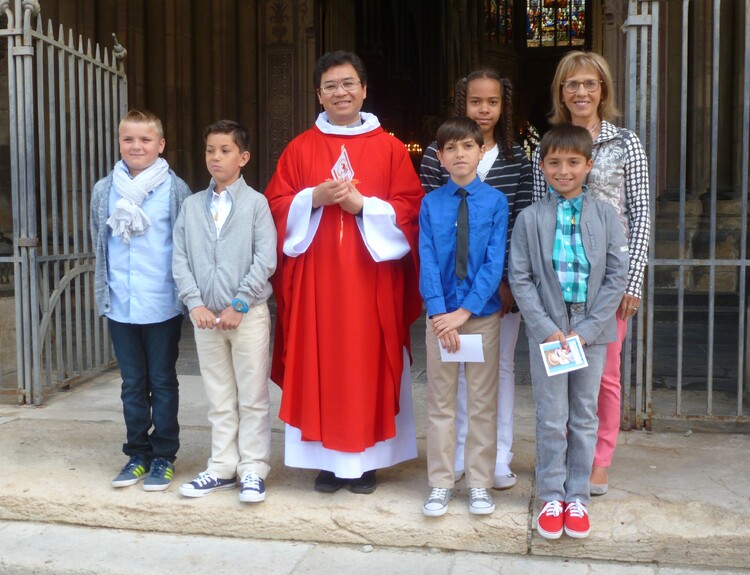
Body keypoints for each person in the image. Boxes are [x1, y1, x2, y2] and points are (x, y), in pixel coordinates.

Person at [265, 51, 423, 494]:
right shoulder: (300, 148)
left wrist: (364, 207)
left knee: (366, 363)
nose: (341, 92)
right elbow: (275, 206)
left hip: (372, 280)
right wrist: (311, 198)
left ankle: (367, 462)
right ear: (318, 94)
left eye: (349, 83)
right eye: (331, 85)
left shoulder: (390, 148)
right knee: (320, 360)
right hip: (317, 281)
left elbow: (411, 210)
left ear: (364, 90)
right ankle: (323, 462)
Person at [532, 51, 650, 496]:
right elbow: (539, 212)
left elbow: (639, 214)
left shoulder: (625, 143)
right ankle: (564, 455)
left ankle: (599, 459)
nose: (581, 92)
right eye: (571, 84)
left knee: (605, 375)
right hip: (561, 277)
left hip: (608, 281)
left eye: (589, 83)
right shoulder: (551, 141)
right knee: (560, 370)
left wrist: (632, 280)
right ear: (561, 92)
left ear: (603, 90)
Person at [510, 124, 628, 539]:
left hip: (590, 329)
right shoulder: (530, 218)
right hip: (550, 330)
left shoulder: (606, 215)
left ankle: (577, 494)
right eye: (554, 162)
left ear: (588, 165)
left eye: (573, 162)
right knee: (551, 415)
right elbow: (520, 277)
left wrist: (591, 327)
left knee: (583, 414)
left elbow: (617, 274)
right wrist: (544, 328)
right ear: (542, 166)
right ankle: (550, 495)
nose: (564, 170)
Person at [420, 70, 532, 490]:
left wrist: (506, 281)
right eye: (475, 101)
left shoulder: (516, 156)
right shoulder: (437, 154)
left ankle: (496, 456)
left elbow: (518, 220)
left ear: (504, 107)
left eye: (492, 102)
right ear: (461, 103)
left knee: (496, 372)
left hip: (494, 289)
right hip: (449, 295)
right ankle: (457, 459)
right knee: (451, 382)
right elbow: (433, 227)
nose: (483, 110)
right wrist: (440, 307)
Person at [172, 120, 277, 503]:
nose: (215, 157)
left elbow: (266, 258)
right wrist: (194, 301)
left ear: (243, 157)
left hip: (246, 316)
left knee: (251, 395)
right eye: (210, 150)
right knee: (218, 395)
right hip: (205, 318)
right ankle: (221, 466)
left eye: (225, 150)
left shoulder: (256, 204)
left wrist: (240, 302)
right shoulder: (191, 206)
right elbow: (180, 258)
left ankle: (252, 468)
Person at [90, 109, 191, 491]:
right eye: (128, 139)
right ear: (119, 143)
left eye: (145, 140)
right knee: (132, 383)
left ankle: (163, 455)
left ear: (160, 145)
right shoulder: (105, 190)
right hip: (121, 302)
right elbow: (99, 241)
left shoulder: (175, 189)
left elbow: (183, 244)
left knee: (162, 380)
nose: (136, 146)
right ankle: (137, 453)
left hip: (161, 301)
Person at [419, 117, 508, 517]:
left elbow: (494, 262)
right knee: (440, 403)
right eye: (451, 148)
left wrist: (465, 311)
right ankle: (440, 482)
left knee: (481, 404)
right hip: (440, 318)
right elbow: (426, 260)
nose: (459, 154)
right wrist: (440, 314)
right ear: (440, 156)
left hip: (481, 317)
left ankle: (478, 483)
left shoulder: (495, 202)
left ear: (480, 151)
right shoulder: (431, 203)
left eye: (467, 147)